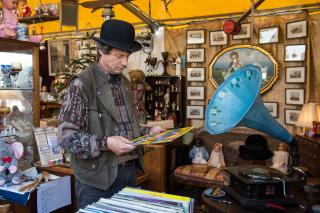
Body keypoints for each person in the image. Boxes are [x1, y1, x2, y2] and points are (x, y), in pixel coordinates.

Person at [57, 19, 165, 209]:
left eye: (127, 56)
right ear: (101, 50)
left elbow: (126, 126)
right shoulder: (82, 84)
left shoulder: (124, 82)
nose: (125, 63)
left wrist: (148, 132)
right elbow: (67, 138)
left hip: (128, 174)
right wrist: (106, 143)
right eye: (119, 56)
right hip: (96, 181)